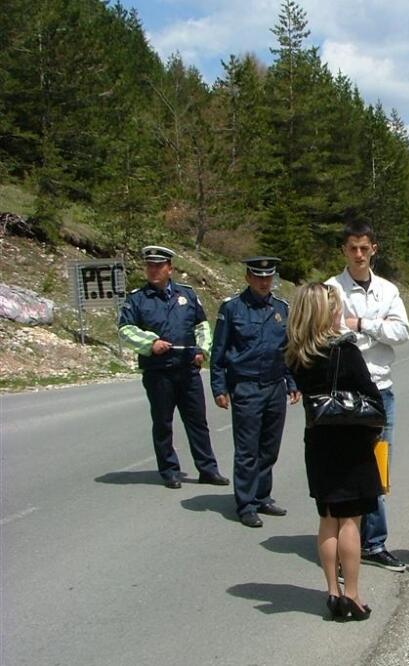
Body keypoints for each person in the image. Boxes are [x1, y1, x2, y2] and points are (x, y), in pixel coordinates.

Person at [285, 282, 383, 621]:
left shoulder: (298, 354)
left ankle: (332, 591)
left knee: (327, 519)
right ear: (329, 311)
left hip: (319, 442)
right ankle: (352, 594)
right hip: (352, 443)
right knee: (351, 522)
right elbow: (371, 395)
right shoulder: (346, 351)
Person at [324, 221, 409, 573]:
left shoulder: (387, 290)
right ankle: (348, 546)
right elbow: (328, 333)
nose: (358, 254)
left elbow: (402, 332)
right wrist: (375, 330)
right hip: (344, 390)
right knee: (346, 468)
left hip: (380, 389)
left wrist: (362, 325)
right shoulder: (331, 289)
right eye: (352, 248)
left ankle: (374, 543)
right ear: (343, 250)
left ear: (374, 248)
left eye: (364, 247)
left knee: (377, 467)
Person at [118, 245, 229, 489]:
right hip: (158, 372)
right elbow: (125, 330)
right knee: (163, 422)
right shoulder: (137, 299)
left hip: (188, 370)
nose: (153, 270)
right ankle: (169, 470)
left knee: (198, 422)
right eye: (150, 266)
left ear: (170, 268)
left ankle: (208, 469)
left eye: (158, 266)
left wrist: (202, 351)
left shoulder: (187, 295)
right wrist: (151, 343)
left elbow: (201, 326)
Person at [210, 257, 301, 528]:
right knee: (248, 449)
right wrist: (219, 387)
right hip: (246, 386)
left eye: (268, 277)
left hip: (274, 386)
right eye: (258, 276)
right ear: (248, 277)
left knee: (269, 447)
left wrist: (293, 383)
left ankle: (263, 496)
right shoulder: (232, 309)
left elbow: (287, 351)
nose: (264, 282)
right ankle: (246, 504)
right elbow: (219, 352)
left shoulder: (281, 309)